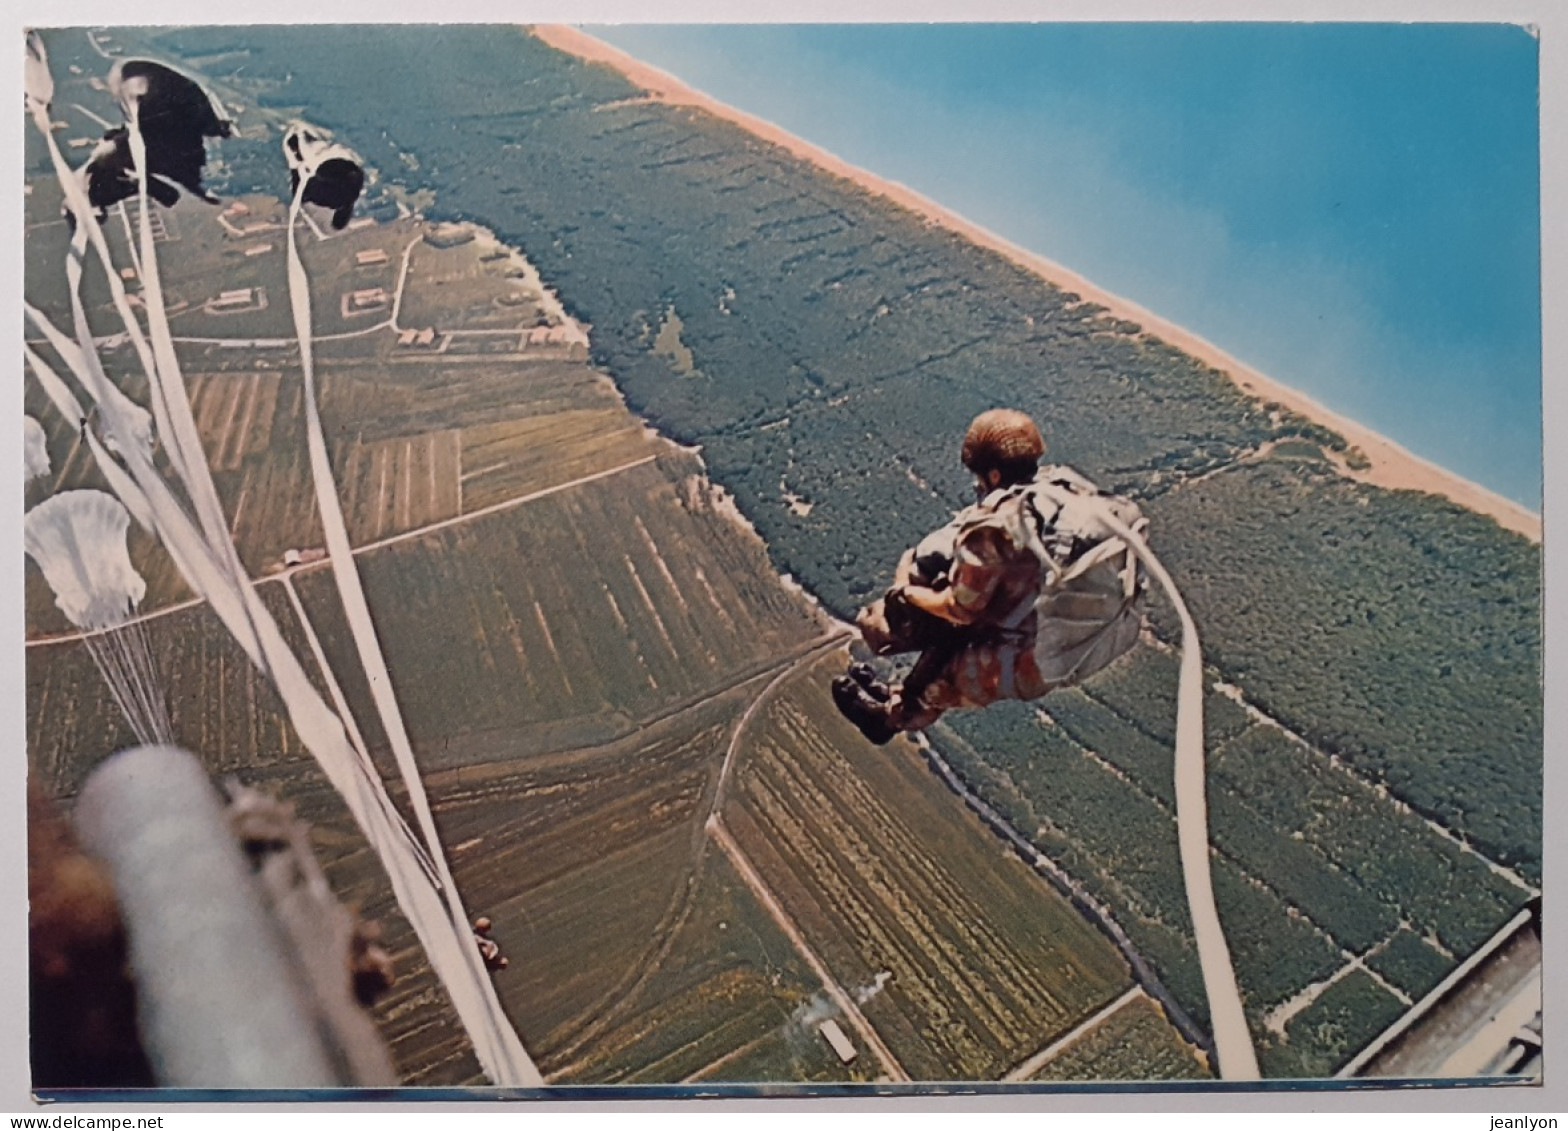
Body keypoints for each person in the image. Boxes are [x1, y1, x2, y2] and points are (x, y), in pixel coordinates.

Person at [832, 408, 1147, 745]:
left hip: (1042, 659)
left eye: (979, 476)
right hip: (1103, 634)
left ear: (994, 475)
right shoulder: (1065, 490)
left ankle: (888, 720)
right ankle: (901, 695)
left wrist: (904, 591)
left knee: (948, 675)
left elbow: (957, 607)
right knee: (957, 637)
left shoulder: (997, 527)